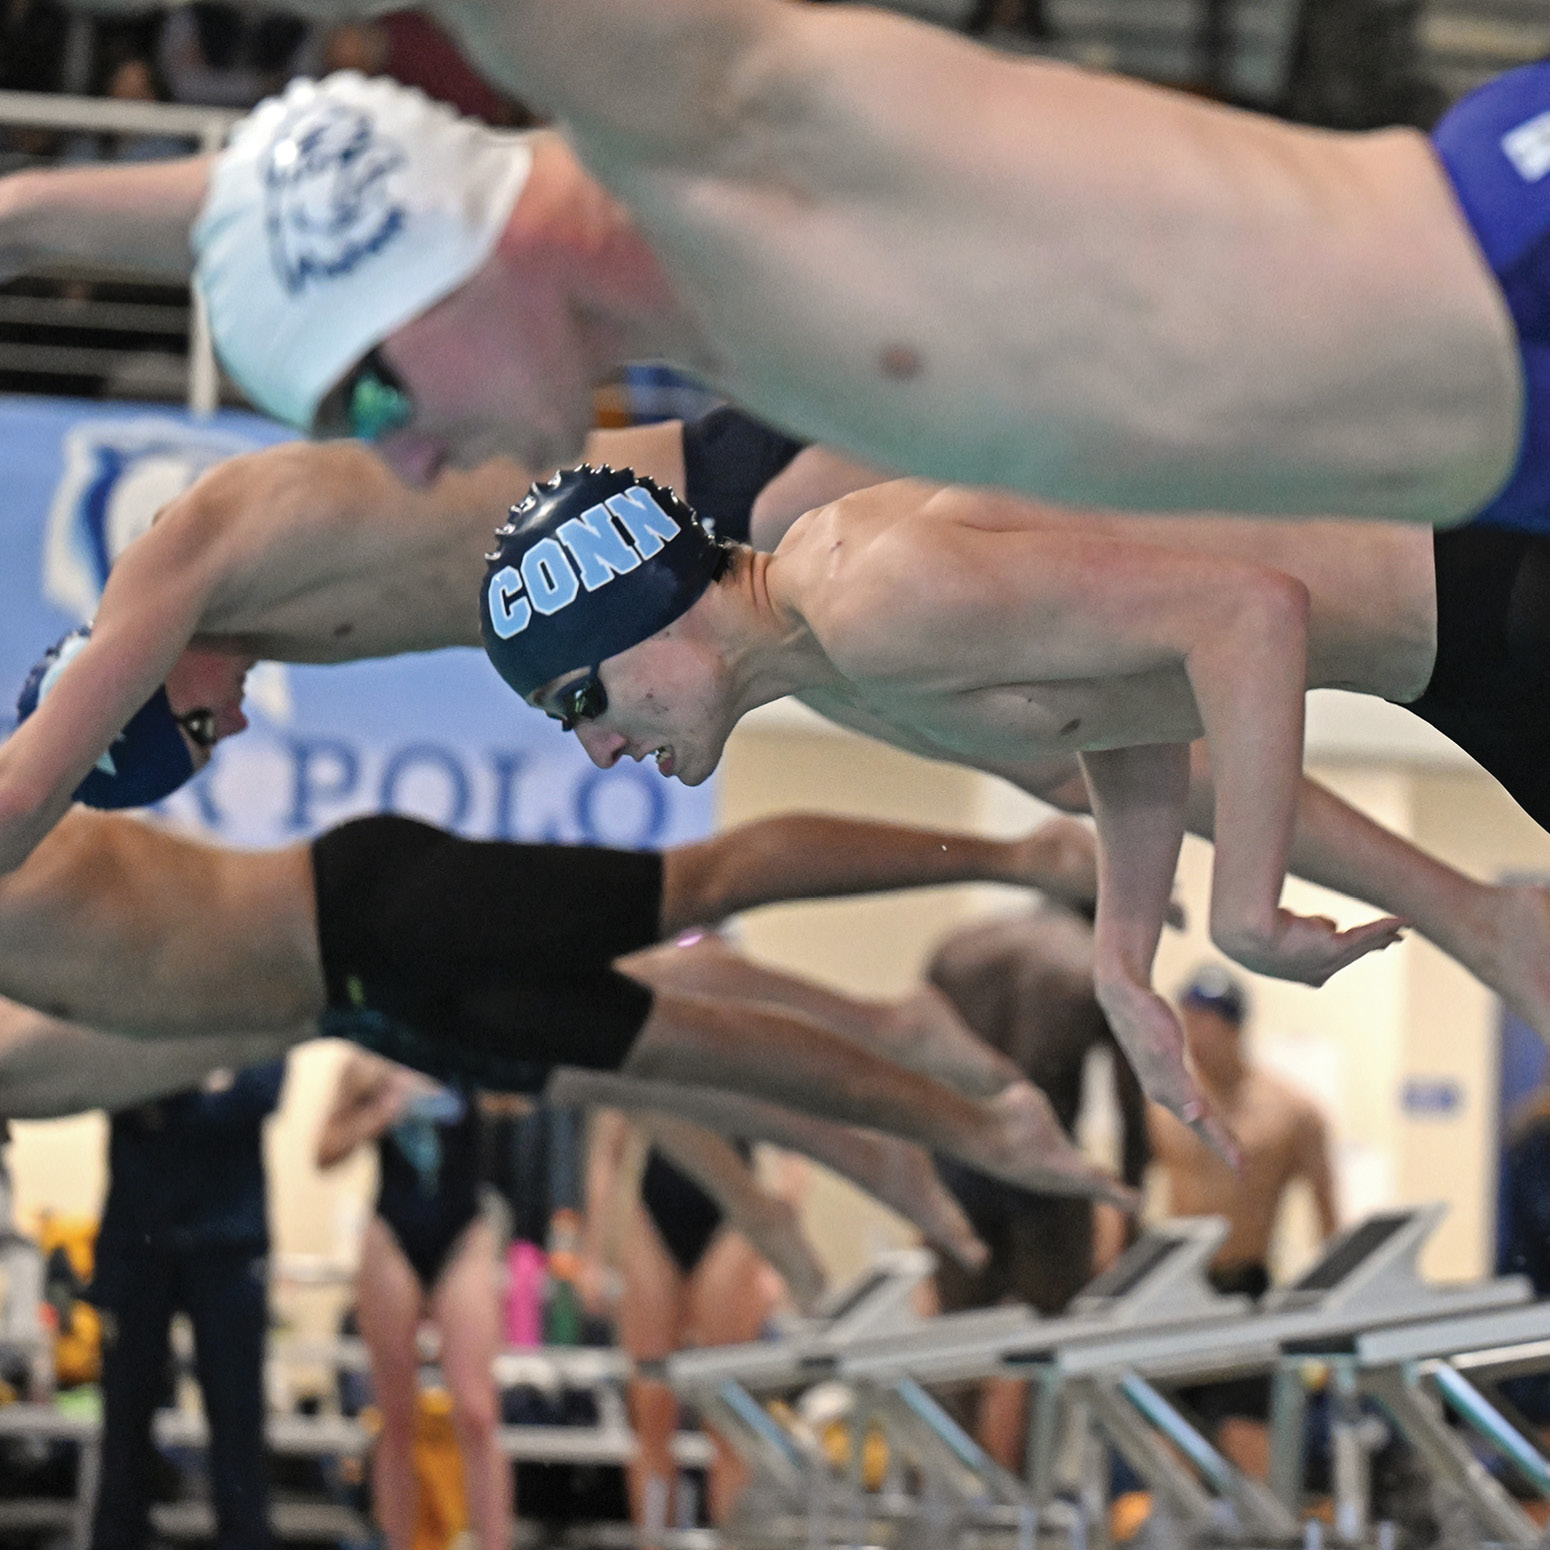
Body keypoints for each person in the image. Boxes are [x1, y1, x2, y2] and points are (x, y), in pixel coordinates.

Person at [1, 421, 1547, 1096]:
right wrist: (1127, 950)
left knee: (985, 649)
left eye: (189, 727)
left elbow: (18, 796)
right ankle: (1477, 914)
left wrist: (1246, 906)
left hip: (725, 492)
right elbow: (1140, 707)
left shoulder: (187, 558)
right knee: (1041, 719)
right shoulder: (278, 618)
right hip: (1453, 646)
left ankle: (1476, 917)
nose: (232, 727)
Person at [0, 52, 1528, 532]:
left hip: (1508, 253)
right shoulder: (699, 323)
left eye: (371, 391)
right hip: (1501, 459)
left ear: (442, 257)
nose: (397, 453)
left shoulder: (721, 149)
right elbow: (276, 195)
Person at [0, 797, 1129, 1214]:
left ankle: (1019, 852)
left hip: (370, 912)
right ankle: (973, 1126)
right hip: (369, 1005)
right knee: (697, 1058)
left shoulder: (17, 827)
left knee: (706, 883)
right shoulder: (34, 1058)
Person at [924, 899, 1149, 1471]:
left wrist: (919, 1188)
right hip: (1045, 1172)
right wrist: (1131, 1219)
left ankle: (952, 1511)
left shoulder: (959, 950)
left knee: (956, 1360)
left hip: (959, 1163)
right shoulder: (1099, 965)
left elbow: (910, 1063)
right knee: (1049, 1359)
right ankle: (1034, 1503)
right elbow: (1130, 1108)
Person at [89, 1058, 287, 1550]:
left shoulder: (259, 993)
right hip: (137, 1237)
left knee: (238, 1421)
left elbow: (256, 1096)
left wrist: (161, 1094)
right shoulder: (126, 993)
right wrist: (205, 1082)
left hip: (228, 1242)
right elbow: (109, 1086)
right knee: (124, 1422)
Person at [1149, 966, 1339, 1478]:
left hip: (1245, 1288)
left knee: (1244, 1431)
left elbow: (1329, 1222)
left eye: (1204, 1022)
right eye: (1186, 1021)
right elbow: (1120, 1197)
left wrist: (1332, 1310)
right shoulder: (1163, 1107)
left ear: (1234, 1026)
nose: (1193, 1035)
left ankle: (1273, 1534)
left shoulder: (1293, 1112)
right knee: (1172, 1433)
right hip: (1178, 1291)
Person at [316, 1055, 508, 1550]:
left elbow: (521, 1101)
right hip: (392, 1237)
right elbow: (324, 1150)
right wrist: (379, 1108)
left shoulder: (466, 1041)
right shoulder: (368, 1060)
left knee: (477, 1409)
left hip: (463, 1234)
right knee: (396, 1417)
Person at [585, 1110, 796, 1533]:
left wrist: (778, 1249)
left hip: (732, 1219)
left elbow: (795, 1153)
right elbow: (608, 1143)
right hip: (653, 1213)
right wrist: (596, 1250)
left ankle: (733, 1541)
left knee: (727, 1417)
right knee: (651, 1411)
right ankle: (654, 1540)